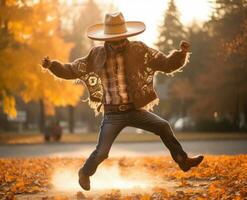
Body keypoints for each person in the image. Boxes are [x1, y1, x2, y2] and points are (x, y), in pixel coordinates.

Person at [41, 12, 204, 191]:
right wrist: (52, 66)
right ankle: (84, 173)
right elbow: (72, 69)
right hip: (112, 114)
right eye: (114, 39)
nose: (119, 43)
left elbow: (164, 63)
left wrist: (181, 55)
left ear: (126, 36)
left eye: (121, 38)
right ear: (107, 39)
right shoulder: (96, 55)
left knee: (163, 126)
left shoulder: (139, 50)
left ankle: (182, 159)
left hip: (134, 110)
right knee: (102, 152)